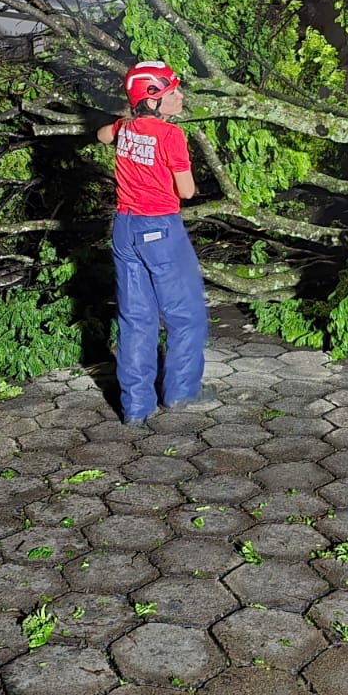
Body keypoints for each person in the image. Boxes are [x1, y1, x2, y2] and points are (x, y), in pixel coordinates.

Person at [96, 60, 208, 424]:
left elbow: (102, 135)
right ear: (152, 99)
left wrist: (124, 130)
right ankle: (180, 393)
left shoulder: (125, 127)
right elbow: (187, 191)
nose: (181, 97)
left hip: (124, 229)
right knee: (186, 314)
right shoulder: (171, 135)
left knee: (135, 319)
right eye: (173, 92)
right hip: (159, 229)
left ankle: (136, 407)